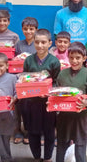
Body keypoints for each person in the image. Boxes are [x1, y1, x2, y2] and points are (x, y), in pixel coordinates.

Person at [56, 42, 87, 162]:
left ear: (84, 58)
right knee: (61, 145)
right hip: (64, 117)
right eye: (71, 58)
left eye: (78, 58)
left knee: (80, 146)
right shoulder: (62, 74)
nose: (74, 61)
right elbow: (56, 91)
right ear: (68, 57)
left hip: (81, 117)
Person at [23, 29, 61, 162]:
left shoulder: (54, 61)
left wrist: (49, 91)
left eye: (44, 42)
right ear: (34, 42)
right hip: (32, 102)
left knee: (49, 131)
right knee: (33, 132)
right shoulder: (28, 60)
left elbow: (57, 82)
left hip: (48, 103)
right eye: (37, 42)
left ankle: (48, 157)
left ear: (50, 43)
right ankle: (37, 157)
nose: (40, 45)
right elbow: (24, 79)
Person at [13, 17, 38, 145]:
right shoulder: (19, 44)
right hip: (19, 79)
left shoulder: (38, 44)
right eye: (25, 29)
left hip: (34, 80)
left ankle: (29, 131)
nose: (28, 31)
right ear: (22, 29)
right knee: (18, 106)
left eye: (31, 29)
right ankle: (17, 131)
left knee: (31, 107)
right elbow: (15, 61)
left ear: (36, 30)